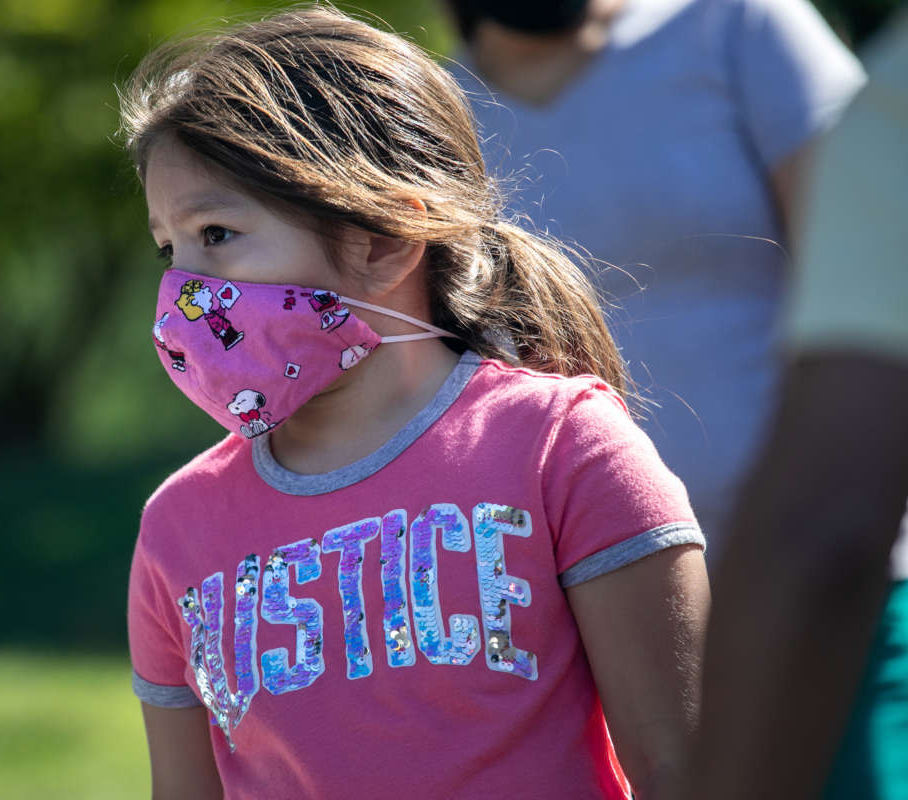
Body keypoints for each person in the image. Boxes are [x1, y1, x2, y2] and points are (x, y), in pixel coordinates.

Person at [121, 7, 710, 798]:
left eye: (217, 233)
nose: (184, 290)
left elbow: (688, 771)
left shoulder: (562, 449)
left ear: (386, 239)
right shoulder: (176, 528)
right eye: (171, 247)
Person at [446, 0, 865, 562]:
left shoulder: (736, 23)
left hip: (825, 553)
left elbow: (867, 262)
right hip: (600, 593)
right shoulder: (430, 116)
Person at [681, 11, 908, 799]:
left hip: (832, 615)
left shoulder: (739, 28)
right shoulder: (453, 95)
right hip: (672, 625)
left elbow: (826, 521)